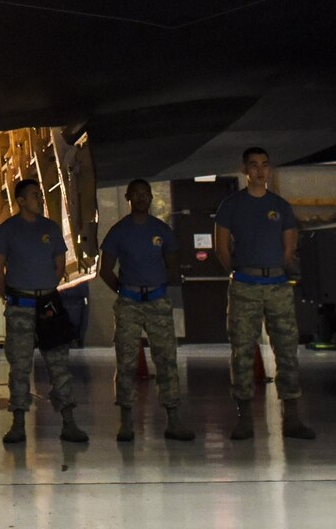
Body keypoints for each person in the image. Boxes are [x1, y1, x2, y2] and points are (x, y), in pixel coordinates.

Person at [214, 145, 315, 441]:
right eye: (254, 165)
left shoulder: (281, 206)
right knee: (242, 351)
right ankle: (245, 418)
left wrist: (274, 272)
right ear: (245, 169)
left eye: (264, 164)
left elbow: (288, 248)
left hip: (277, 286)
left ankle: (292, 418)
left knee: (286, 350)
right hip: (245, 285)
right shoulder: (231, 206)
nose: (260, 170)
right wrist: (241, 271)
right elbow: (221, 248)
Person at [0, 178, 87, 445]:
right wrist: (8, 293)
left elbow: (59, 263)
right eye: (34, 195)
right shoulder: (7, 231)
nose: (40, 199)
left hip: (48, 306)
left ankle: (69, 421)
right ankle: (18, 422)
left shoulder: (51, 229)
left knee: (59, 366)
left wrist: (47, 287)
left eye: (40, 195)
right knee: (19, 367)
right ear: (20, 201)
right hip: (20, 306)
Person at [98, 179, 194, 443]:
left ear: (151, 197)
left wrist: (159, 286)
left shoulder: (161, 230)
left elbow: (172, 264)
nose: (141, 198)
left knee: (166, 359)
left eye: (146, 193)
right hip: (129, 301)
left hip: (157, 302)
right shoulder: (119, 231)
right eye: (136, 194)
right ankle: (126, 422)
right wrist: (124, 291)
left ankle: (173, 419)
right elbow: (105, 270)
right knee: (126, 361)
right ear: (128, 197)